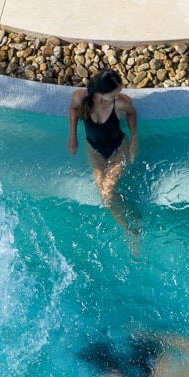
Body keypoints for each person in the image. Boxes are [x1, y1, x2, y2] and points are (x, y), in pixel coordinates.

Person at [67, 68, 141, 248]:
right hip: (94, 151)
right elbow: (73, 109)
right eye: (114, 94)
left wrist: (134, 140)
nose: (119, 96)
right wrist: (73, 135)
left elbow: (131, 114)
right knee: (105, 195)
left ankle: (131, 230)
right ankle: (132, 212)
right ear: (99, 92)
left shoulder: (121, 103)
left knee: (107, 194)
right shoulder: (80, 98)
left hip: (118, 150)